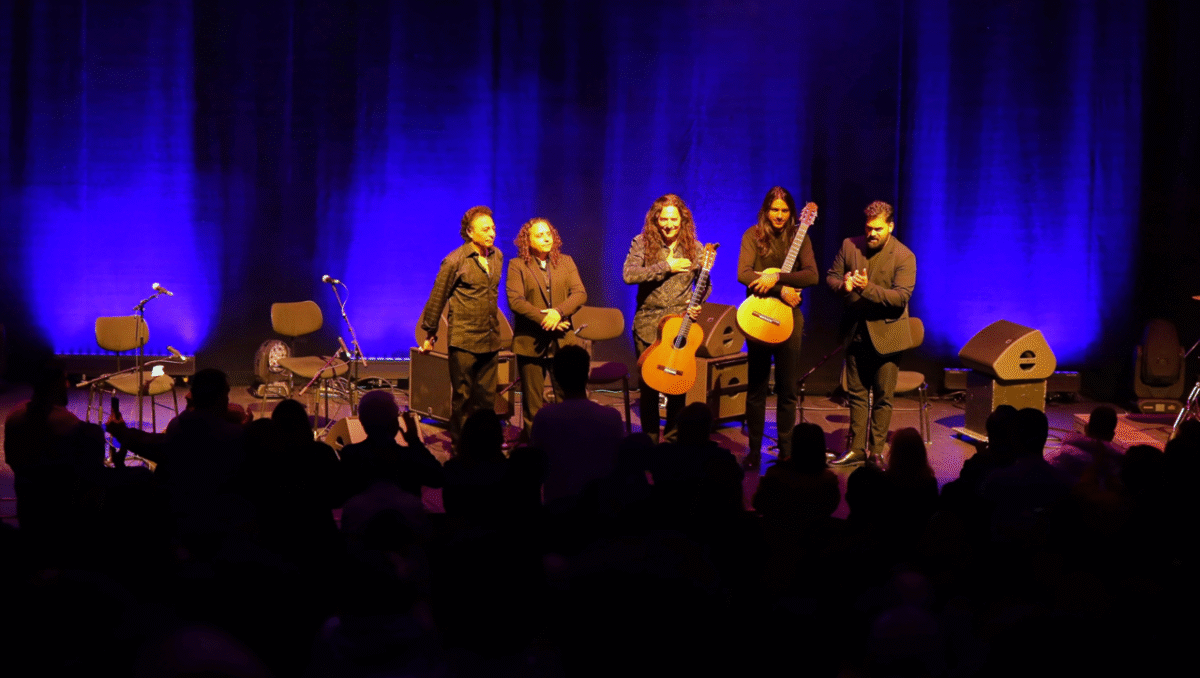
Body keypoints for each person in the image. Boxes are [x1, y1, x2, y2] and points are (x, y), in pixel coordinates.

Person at [827, 201, 917, 466]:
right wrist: (844, 285)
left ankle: (876, 451)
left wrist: (866, 288)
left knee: (882, 397)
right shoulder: (849, 245)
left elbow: (900, 298)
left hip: (888, 336)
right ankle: (856, 449)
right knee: (855, 394)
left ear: (890, 226)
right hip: (856, 331)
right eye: (868, 228)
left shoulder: (904, 256)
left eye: (878, 228)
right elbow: (831, 277)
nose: (872, 234)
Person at [737, 186, 819, 470]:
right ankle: (754, 451)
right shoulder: (752, 235)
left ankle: (786, 452)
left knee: (787, 388)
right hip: (758, 317)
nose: (780, 215)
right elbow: (744, 274)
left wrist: (775, 278)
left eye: (785, 211)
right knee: (757, 387)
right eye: (775, 210)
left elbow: (811, 275)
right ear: (766, 211)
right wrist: (782, 289)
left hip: (789, 319)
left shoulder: (799, 237)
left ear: (794, 214)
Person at [622, 193, 708, 440]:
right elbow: (629, 275)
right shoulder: (641, 243)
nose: (669, 224)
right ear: (655, 220)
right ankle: (649, 442)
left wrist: (696, 304)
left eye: (674, 218)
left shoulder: (694, 248)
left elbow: (705, 284)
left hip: (680, 328)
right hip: (649, 326)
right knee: (649, 388)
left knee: (677, 387)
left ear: (683, 220)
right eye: (664, 219)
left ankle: (672, 441)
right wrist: (666, 267)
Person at [418, 205, 504, 446]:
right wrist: (430, 332)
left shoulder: (497, 256)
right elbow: (437, 297)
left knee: (486, 400)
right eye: (485, 229)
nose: (491, 233)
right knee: (463, 398)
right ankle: (462, 446)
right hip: (464, 340)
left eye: (493, 229)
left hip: (490, 339)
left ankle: (485, 445)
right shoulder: (455, 260)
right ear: (470, 231)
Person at [506, 217, 587, 440]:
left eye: (548, 233)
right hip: (530, 343)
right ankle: (536, 450)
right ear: (527, 240)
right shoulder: (517, 266)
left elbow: (580, 293)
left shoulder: (566, 262)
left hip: (563, 341)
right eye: (539, 235)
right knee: (533, 406)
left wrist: (558, 312)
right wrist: (546, 319)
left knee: (567, 401)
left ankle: (567, 445)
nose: (545, 238)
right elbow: (516, 301)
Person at [531, 345, 625, 504]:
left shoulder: (544, 418)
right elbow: (619, 470)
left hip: (559, 509)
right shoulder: (612, 418)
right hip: (601, 509)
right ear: (587, 374)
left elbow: (536, 470)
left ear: (557, 377)